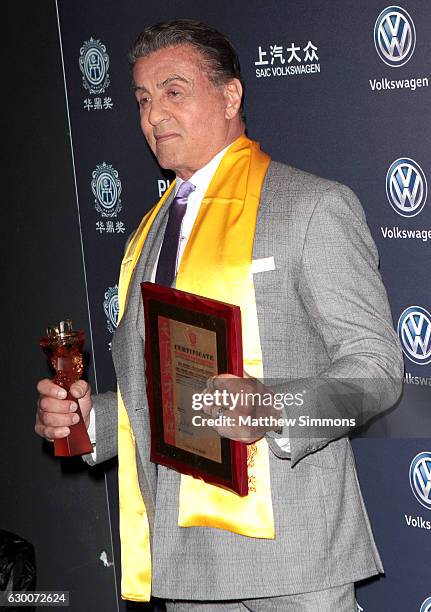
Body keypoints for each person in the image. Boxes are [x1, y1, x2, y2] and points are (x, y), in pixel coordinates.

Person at [35, 19, 403, 611]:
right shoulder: (148, 235)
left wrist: (275, 407)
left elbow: (377, 371)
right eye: (143, 99)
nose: (154, 115)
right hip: (188, 564)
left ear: (231, 96)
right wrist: (85, 421)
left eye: (174, 91)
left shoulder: (311, 206)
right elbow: (163, 391)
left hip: (294, 559)